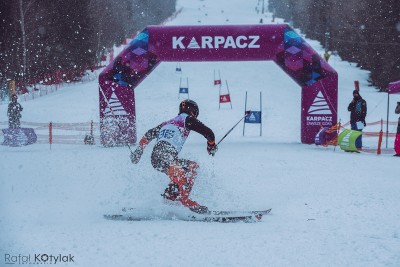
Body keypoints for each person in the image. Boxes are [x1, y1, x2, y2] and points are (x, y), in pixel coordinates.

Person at [130, 99, 218, 214]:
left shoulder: (167, 123)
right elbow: (209, 132)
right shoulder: (188, 119)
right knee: (181, 175)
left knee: (192, 167)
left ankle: (169, 198)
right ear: (193, 112)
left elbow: (148, 135)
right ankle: (186, 202)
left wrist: (139, 151)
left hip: (161, 157)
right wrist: (211, 145)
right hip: (164, 156)